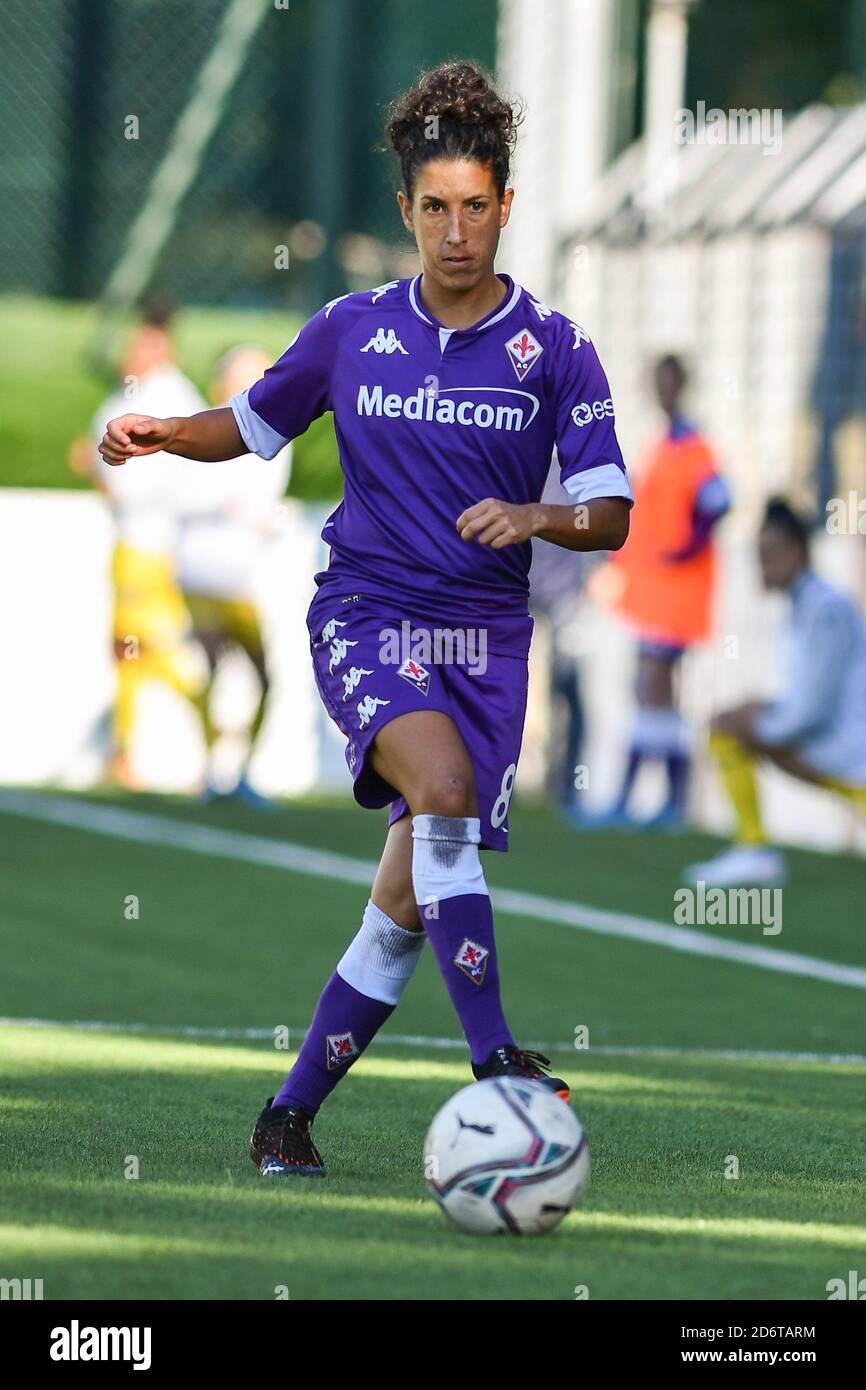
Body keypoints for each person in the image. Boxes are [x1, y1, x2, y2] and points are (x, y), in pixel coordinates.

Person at [98, 60, 633, 1178]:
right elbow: (248, 424)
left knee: (401, 904)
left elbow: (609, 513)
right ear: (404, 210)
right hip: (368, 613)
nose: (453, 231)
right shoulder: (351, 328)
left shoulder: (557, 349)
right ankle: (495, 1064)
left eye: (473, 206)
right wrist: (159, 430)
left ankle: (285, 1118)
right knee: (437, 797)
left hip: (485, 647)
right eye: (432, 208)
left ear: (504, 206)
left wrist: (534, 512)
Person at [685, 498, 866, 886]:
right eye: (758, 556)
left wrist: (759, 724)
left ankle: (756, 851)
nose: (762, 567)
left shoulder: (825, 609)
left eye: (770, 555)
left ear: (797, 553)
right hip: (840, 753)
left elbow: (811, 713)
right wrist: (762, 712)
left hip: (851, 759)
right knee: (728, 723)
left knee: (729, 726)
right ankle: (753, 849)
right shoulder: (806, 603)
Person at [590, 355, 730, 827]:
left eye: (670, 384)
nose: (664, 393)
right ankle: (669, 800)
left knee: (653, 687)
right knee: (655, 692)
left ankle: (635, 799)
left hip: (677, 596)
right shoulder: (662, 446)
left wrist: (684, 549)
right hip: (653, 594)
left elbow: (717, 502)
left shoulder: (693, 448)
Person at [76, 321, 207, 787]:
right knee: (129, 652)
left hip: (149, 546)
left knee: (149, 647)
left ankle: (208, 724)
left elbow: (145, 481)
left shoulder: (171, 398)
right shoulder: (144, 393)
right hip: (139, 544)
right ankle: (126, 750)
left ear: (161, 347)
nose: (130, 351)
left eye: (141, 343)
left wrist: (100, 468)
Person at [173, 346, 292, 804]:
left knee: (263, 678)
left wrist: (269, 520)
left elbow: (267, 506)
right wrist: (228, 506)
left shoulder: (275, 438)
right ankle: (207, 772)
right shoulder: (197, 429)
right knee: (210, 671)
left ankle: (240, 772)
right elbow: (180, 498)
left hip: (239, 580)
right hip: (201, 575)